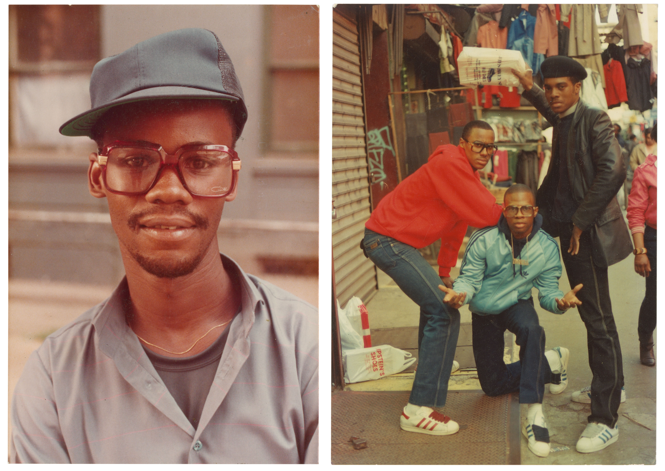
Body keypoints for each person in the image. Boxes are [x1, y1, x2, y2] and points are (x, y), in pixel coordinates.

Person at [10, 29, 318, 464]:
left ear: (229, 178)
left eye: (200, 161)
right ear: (99, 178)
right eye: (135, 160)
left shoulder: (307, 350)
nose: (169, 190)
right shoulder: (53, 383)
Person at [513, 56, 633, 454]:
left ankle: (606, 416)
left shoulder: (595, 120)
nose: (553, 95)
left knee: (598, 319)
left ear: (577, 87)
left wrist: (581, 221)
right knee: (587, 314)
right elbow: (551, 108)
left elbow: (614, 170)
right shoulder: (564, 118)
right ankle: (609, 385)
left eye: (560, 87)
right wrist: (529, 86)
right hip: (559, 227)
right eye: (548, 88)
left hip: (586, 235)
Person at [361, 120, 503, 436]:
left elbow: (459, 224)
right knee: (444, 312)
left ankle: (433, 367)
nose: (485, 152)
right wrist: (526, 211)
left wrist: (443, 272)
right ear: (463, 144)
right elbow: (487, 213)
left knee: (436, 306)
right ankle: (416, 410)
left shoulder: (466, 175)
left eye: (490, 147)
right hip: (386, 240)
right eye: (478, 145)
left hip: (396, 242)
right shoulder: (452, 163)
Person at [439, 184, 581, 458]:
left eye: (525, 208)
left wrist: (560, 303)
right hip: (484, 311)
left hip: (518, 303)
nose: (519, 214)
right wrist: (460, 295)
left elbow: (548, 291)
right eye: (513, 208)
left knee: (532, 330)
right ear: (504, 211)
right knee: (492, 386)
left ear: (535, 210)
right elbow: (469, 278)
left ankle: (535, 415)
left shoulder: (547, 246)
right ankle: (551, 362)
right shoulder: (483, 239)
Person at [627, 123, 657, 367]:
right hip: (655, 238)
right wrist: (640, 251)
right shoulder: (646, 171)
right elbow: (636, 212)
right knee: (656, 295)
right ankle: (646, 339)